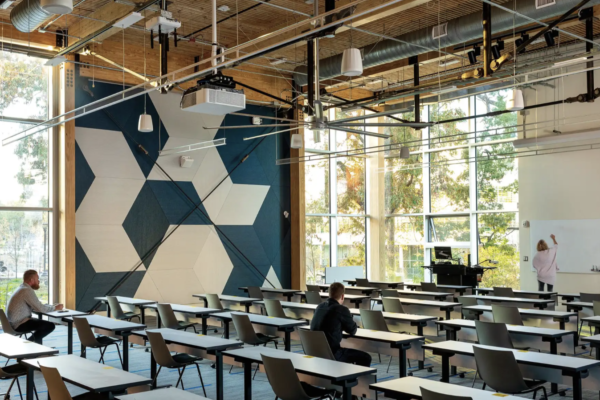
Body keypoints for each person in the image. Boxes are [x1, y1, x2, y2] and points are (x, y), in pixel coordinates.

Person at [310, 282, 371, 367]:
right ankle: (354, 375)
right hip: (333, 353)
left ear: (329, 294)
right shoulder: (341, 309)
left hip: (314, 351)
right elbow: (352, 330)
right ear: (342, 296)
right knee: (366, 358)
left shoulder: (319, 306)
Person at [6, 270, 63, 344]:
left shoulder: (22, 288)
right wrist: (55, 308)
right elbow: (40, 308)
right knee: (50, 326)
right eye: (37, 278)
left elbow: (36, 305)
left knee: (42, 324)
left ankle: (33, 345)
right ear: (31, 280)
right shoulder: (26, 290)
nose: (39, 281)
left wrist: (51, 306)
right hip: (19, 324)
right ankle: (28, 344)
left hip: (12, 323)